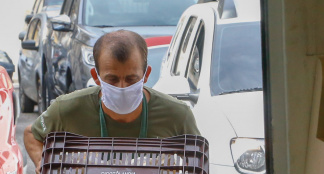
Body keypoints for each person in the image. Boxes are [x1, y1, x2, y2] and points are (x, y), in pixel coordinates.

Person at [24, 30, 200, 166]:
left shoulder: (177, 115)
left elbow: (197, 159)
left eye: (131, 79)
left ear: (146, 75)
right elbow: (33, 134)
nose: (122, 87)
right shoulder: (68, 108)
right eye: (112, 79)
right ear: (96, 76)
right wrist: (43, 165)